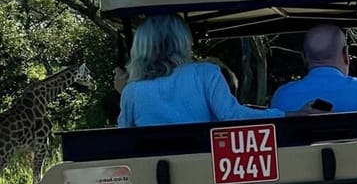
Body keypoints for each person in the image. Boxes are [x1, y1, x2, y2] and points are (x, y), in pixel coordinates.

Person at [116, 14, 288, 127]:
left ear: (140, 47)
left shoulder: (131, 91)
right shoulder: (206, 73)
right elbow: (232, 115)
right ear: (181, 40)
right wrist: (284, 115)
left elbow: (125, 137)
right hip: (205, 165)